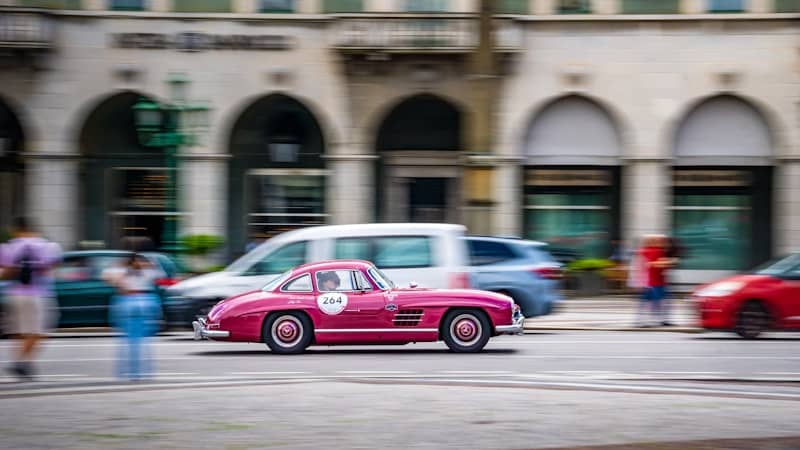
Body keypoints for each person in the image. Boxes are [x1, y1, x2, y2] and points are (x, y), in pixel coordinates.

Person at [0, 217, 62, 381]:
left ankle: (22, 363)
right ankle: (22, 362)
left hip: (15, 293)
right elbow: (52, 266)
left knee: (18, 331)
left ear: (16, 229)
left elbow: (5, 273)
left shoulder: (8, 247)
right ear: (32, 228)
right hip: (39, 294)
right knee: (40, 331)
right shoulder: (47, 246)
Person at [102, 253, 162, 381]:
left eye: (141, 261)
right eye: (136, 261)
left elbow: (159, 273)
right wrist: (121, 275)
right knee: (129, 342)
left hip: (142, 303)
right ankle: (128, 372)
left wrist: (148, 264)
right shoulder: (124, 271)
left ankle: (140, 372)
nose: (139, 264)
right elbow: (106, 276)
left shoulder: (147, 272)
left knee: (141, 342)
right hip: (129, 303)